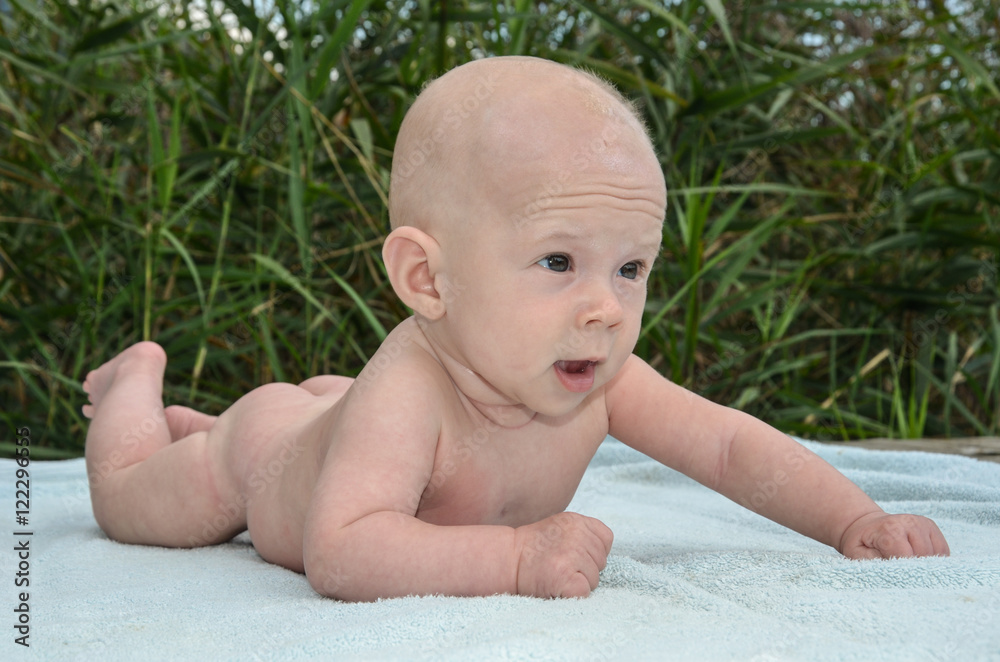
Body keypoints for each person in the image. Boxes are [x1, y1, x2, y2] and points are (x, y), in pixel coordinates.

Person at [81, 56, 949, 602]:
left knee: (333, 415)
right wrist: (514, 560)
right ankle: (140, 385)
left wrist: (851, 519)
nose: (606, 307)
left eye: (631, 268)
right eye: (559, 263)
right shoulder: (412, 388)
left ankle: (243, 412)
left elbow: (726, 447)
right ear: (428, 279)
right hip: (266, 456)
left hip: (340, 419)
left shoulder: (595, 369)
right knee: (131, 497)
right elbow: (341, 550)